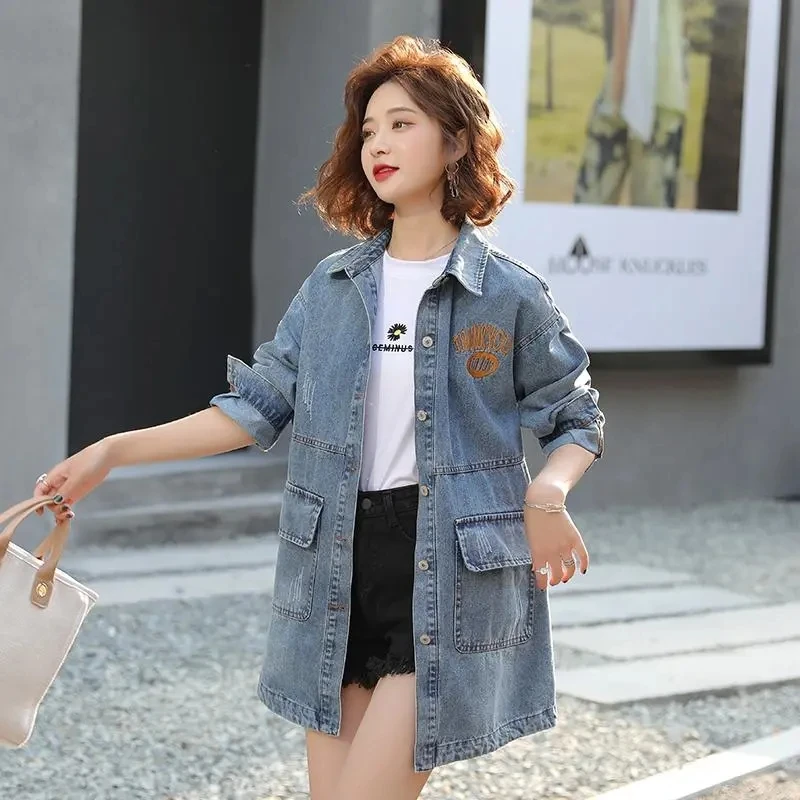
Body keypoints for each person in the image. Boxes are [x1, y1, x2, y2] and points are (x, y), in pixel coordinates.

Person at [34, 35, 605, 800]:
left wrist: (549, 494)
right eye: (368, 131)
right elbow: (256, 407)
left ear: (455, 141)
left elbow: (575, 415)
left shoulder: (508, 294)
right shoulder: (333, 287)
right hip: (334, 565)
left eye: (401, 124)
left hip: (446, 571)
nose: (379, 145)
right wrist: (111, 451)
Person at [574, 0, 688, 207]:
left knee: (592, 204)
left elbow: (624, 9)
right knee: (653, 208)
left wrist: (618, 88)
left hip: (633, 93)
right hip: (667, 90)